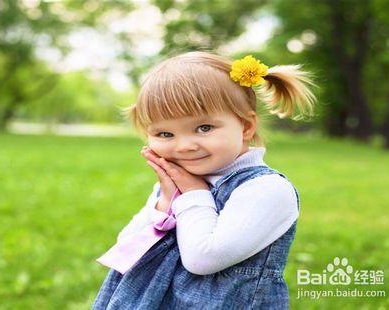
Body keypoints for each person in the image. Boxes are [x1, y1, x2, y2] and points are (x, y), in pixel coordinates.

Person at [92, 51, 316, 309]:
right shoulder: (178, 184)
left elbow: (202, 259)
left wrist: (192, 194)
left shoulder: (267, 190)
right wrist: (166, 200)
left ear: (246, 127)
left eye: (204, 128)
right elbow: (128, 246)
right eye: (165, 133)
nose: (185, 146)